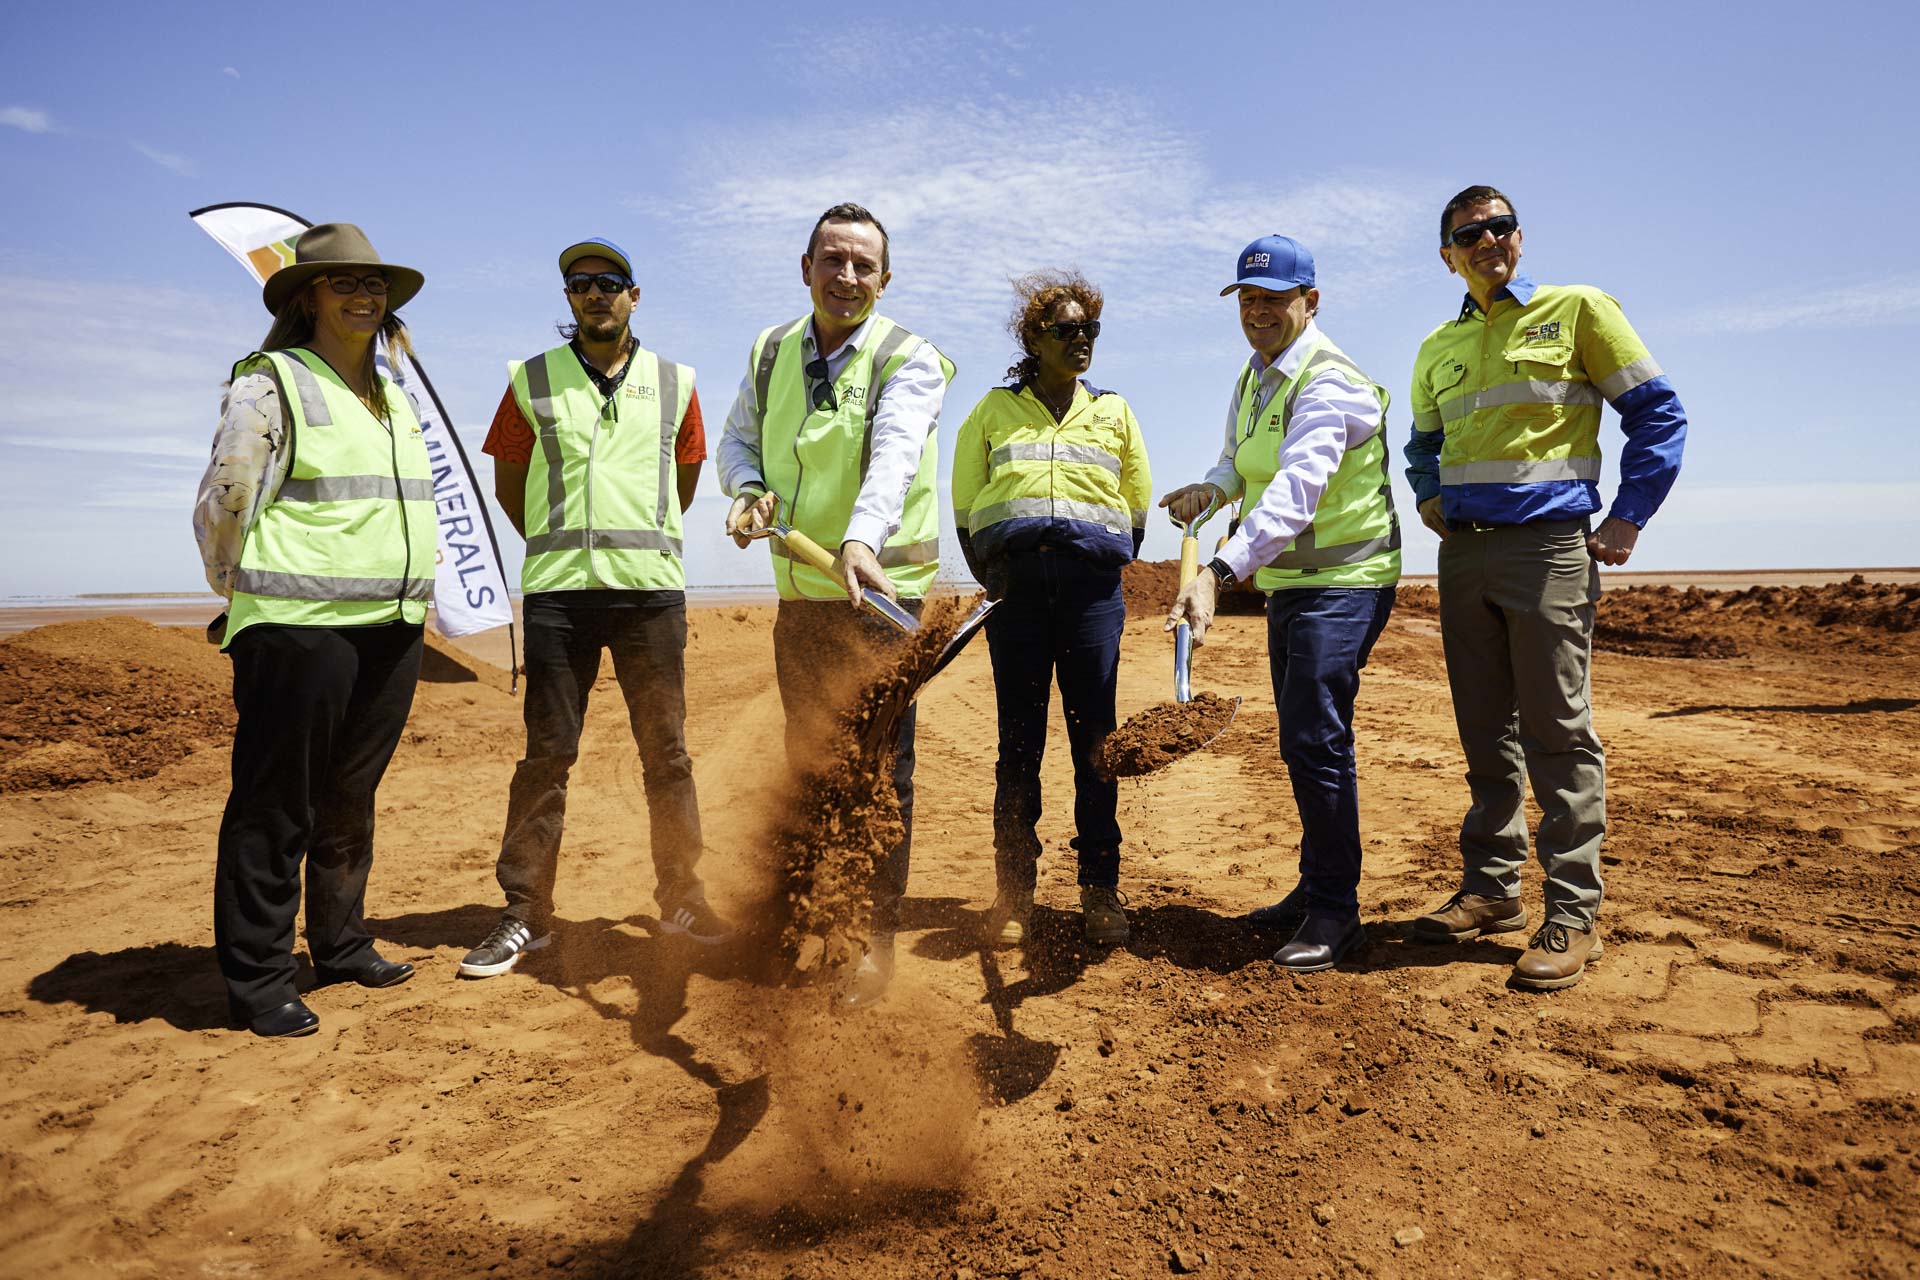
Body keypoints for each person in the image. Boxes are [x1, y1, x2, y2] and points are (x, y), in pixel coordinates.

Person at [1404, 185, 1687, 991]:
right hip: (1465, 557)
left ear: (1519, 238)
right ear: (1447, 253)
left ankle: (1573, 914)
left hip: (1550, 549)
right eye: (1470, 233)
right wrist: (1429, 500)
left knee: (1559, 735)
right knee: (1484, 730)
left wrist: (1629, 518)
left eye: (1501, 227)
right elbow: (1420, 445)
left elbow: (1659, 413)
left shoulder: (1579, 310)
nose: (1488, 239)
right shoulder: (1436, 347)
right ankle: (1493, 893)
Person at [459, 237, 730, 980]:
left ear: (634, 296)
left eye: (609, 282)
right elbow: (510, 485)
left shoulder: (675, 383)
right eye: (580, 284)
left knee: (666, 755)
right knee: (547, 756)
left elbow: (685, 479)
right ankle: (525, 915)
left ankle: (682, 897)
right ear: (568, 298)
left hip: (648, 593)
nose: (595, 293)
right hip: (559, 597)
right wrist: (560, 548)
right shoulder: (530, 380)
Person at [192, 223, 436, 1037]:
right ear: (307, 299)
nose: (366, 298)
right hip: (300, 626)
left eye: (376, 286)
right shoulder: (273, 382)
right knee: (276, 803)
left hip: (389, 626)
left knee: (349, 797)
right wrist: (241, 595)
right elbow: (227, 500)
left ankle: (339, 943)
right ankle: (260, 980)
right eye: (346, 285)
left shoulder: (394, 396)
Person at [719, 202, 954, 1008]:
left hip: (882, 596)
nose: (847, 276)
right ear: (806, 266)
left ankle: (871, 943)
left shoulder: (910, 358)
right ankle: (821, 918)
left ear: (885, 279)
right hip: (804, 597)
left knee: (883, 772)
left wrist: (861, 538)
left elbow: (894, 451)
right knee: (811, 759)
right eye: (833, 259)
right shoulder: (770, 350)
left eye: (863, 265)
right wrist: (748, 489)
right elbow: (740, 439)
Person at [1164, 235, 1400, 974]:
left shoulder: (1330, 383)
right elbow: (1242, 460)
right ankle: (1313, 889)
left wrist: (1219, 573)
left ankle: (1336, 912)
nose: (1258, 313)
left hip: (1347, 583)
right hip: (1293, 586)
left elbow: (1297, 490)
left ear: (1311, 301)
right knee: (1303, 738)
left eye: (1274, 299)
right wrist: (1214, 489)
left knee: (1318, 739)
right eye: (1248, 300)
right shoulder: (1255, 377)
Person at [951, 271, 1152, 950]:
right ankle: (1016, 893)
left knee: (1098, 746)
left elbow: (1136, 504)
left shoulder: (1116, 412)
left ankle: (1100, 888)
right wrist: (1002, 575)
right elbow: (965, 507)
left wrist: (1093, 559)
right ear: (1033, 338)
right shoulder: (991, 411)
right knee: (1019, 747)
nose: (1081, 341)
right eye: (1066, 330)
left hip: (1093, 596)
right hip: (1019, 597)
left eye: (1090, 329)